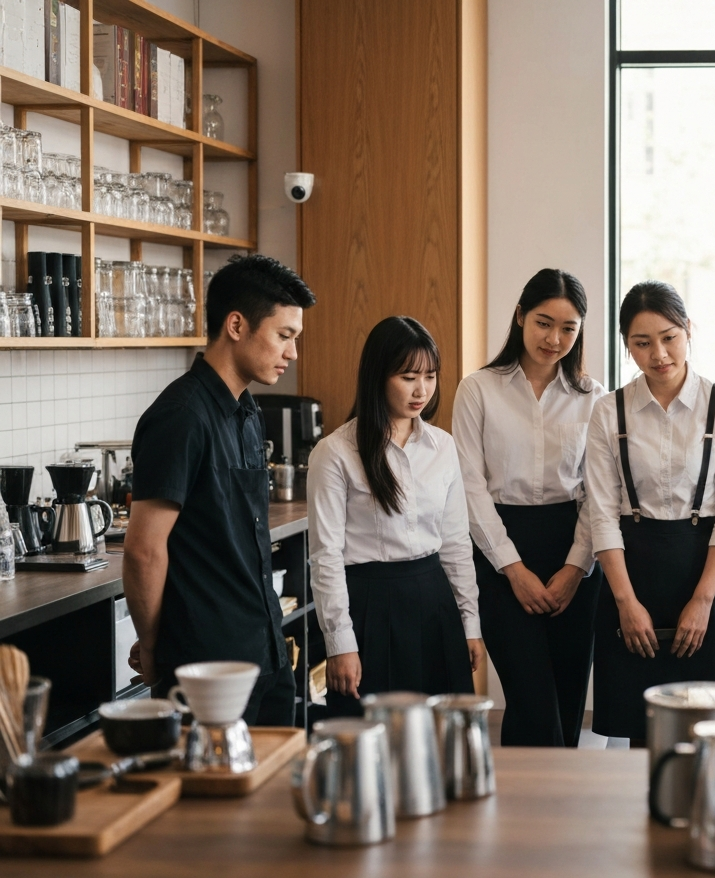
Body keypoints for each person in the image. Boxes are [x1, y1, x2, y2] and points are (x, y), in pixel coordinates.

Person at [124, 254, 315, 726]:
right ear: (236, 325)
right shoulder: (181, 416)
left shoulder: (246, 410)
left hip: (266, 651)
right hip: (207, 666)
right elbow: (144, 550)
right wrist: (153, 645)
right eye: (284, 335)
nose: (292, 353)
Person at [584, 280, 715, 746]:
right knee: (642, 738)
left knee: (709, 731)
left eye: (669, 337)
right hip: (631, 579)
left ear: (688, 330)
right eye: (642, 343)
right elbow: (602, 515)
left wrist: (703, 601)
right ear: (627, 345)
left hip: (705, 576)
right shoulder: (609, 411)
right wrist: (625, 603)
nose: (658, 354)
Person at [454, 269, 606, 747]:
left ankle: (549, 795)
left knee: (566, 700)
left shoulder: (594, 397)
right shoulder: (478, 389)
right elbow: (469, 487)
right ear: (520, 315)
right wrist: (513, 569)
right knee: (531, 701)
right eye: (544, 323)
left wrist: (575, 569)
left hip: (574, 546)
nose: (554, 339)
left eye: (568, 328)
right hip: (499, 549)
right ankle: (527, 794)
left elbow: (600, 491)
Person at [308, 316, 482, 716]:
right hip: (370, 608)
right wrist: (340, 643)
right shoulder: (335, 453)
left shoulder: (442, 446)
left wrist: (469, 624)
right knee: (373, 737)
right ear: (378, 376)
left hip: (435, 602)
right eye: (408, 377)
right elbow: (325, 557)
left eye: (430, 376)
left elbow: (456, 544)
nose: (422, 390)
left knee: (442, 735)